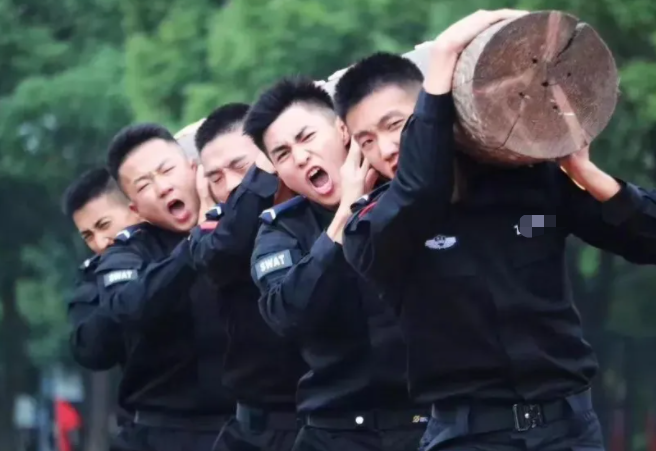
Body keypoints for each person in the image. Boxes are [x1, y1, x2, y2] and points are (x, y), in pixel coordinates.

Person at [338, 9, 656, 451]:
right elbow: (422, 189)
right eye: (366, 141)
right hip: (468, 436)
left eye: (396, 124)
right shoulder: (371, 225)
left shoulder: (533, 183)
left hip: (569, 430)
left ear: (442, 112)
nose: (387, 147)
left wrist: (588, 173)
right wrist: (444, 55)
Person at [243, 77, 428, 451]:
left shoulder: (409, 194)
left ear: (343, 130)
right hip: (336, 431)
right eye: (282, 154)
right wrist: (346, 214)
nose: (300, 157)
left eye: (307, 137)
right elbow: (288, 316)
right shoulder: (281, 231)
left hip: (429, 423)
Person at [95, 123, 235, 451]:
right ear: (135, 209)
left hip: (251, 429)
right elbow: (127, 308)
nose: (162, 187)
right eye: (144, 185)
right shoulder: (127, 253)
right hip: (161, 434)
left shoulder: (244, 226)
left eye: (167, 170)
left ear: (193, 169)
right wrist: (196, 244)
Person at [188, 103, 307, 451]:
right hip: (258, 431)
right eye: (215, 177)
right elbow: (224, 251)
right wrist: (258, 181)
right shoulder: (212, 233)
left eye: (242, 168)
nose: (230, 186)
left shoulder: (328, 212)